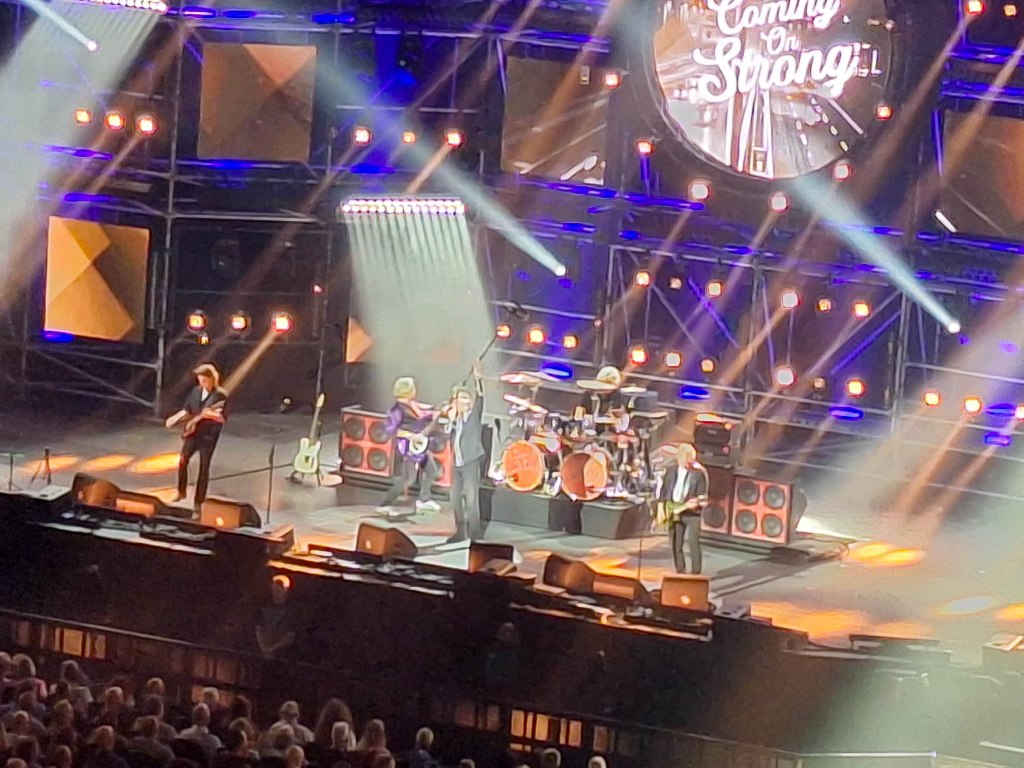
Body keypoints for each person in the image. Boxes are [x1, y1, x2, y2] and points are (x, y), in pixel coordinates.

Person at [165, 364, 228, 509]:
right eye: (200, 379)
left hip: (208, 436)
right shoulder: (195, 391)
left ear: (212, 379)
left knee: (204, 467)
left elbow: (222, 418)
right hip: (193, 433)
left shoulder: (220, 395)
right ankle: (181, 491)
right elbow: (187, 410)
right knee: (183, 460)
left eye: (204, 379)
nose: (202, 382)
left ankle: (199, 501)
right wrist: (174, 418)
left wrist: (209, 414)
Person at [377, 377, 441, 515]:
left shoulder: (412, 405)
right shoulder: (396, 410)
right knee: (407, 479)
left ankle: (424, 500)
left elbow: (424, 412)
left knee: (431, 470)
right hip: (407, 448)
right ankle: (384, 504)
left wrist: (436, 412)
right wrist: (411, 436)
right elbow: (391, 429)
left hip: (418, 447)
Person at [441, 366, 485, 543]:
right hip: (456, 465)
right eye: (460, 399)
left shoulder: (473, 416)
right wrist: (451, 419)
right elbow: (446, 435)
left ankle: (474, 535)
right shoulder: (455, 420)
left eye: (466, 399)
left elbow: (480, 397)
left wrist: (478, 379)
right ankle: (460, 531)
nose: (464, 402)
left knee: (471, 499)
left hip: (470, 463)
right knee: (455, 500)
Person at [658, 443, 709, 575]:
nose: (690, 462)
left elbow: (701, 499)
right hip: (675, 512)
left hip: (692, 514)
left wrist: (681, 508)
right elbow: (664, 491)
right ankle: (680, 572)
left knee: (693, 542)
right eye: (688, 459)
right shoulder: (671, 471)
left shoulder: (698, 474)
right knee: (676, 543)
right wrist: (661, 509)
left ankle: (696, 573)